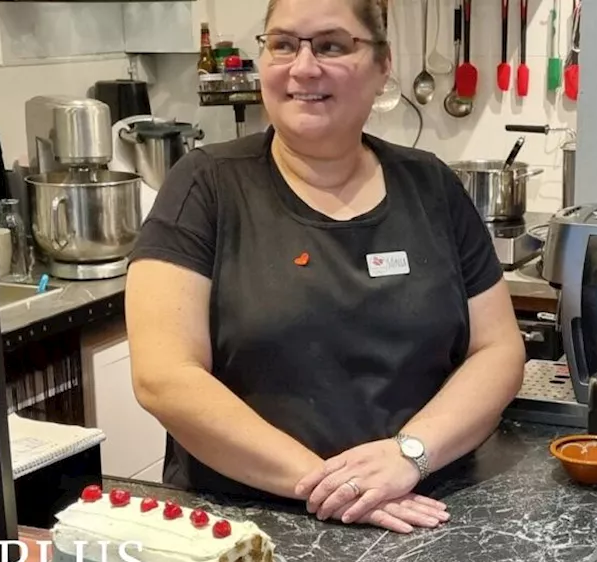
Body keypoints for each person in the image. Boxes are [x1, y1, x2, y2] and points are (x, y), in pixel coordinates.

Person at [123, 0, 525, 534]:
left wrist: (410, 455)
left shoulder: (430, 185)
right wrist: (332, 487)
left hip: (425, 512)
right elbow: (164, 377)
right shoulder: (207, 186)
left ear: (382, 66)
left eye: (332, 45)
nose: (303, 68)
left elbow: (498, 349)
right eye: (283, 44)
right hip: (244, 529)